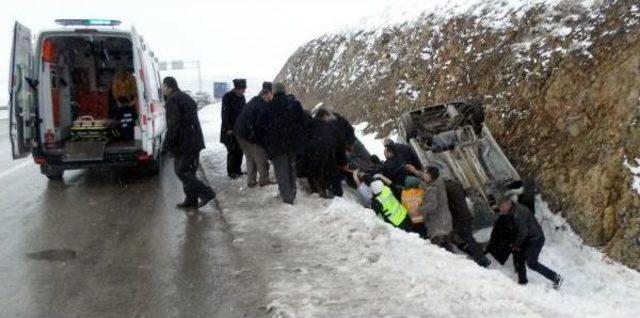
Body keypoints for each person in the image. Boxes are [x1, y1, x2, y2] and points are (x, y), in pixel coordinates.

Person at [161, 77, 215, 210]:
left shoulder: (173, 100)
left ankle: (207, 193)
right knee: (189, 171)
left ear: (168, 86)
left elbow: (173, 125)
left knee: (182, 171)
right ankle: (191, 200)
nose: (162, 90)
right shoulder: (186, 97)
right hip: (193, 140)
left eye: (163, 87)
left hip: (185, 143)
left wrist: (167, 145)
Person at [495, 192, 563, 289]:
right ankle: (522, 282)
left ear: (508, 203)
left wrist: (517, 244)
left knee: (532, 263)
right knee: (517, 254)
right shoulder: (512, 211)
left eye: (501, 206)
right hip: (528, 238)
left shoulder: (519, 212)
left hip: (535, 239)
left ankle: (556, 278)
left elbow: (523, 231)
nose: (500, 209)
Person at [257, 82, 304, 204]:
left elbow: (259, 125)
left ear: (273, 91)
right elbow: (302, 123)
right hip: (293, 144)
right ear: (284, 91)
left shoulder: (268, 106)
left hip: (276, 145)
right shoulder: (295, 104)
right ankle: (292, 192)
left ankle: (287, 197)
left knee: (281, 171)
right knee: (291, 169)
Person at [233, 82, 273, 187]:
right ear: (266, 94)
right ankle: (264, 180)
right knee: (261, 157)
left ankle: (251, 181)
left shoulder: (253, 101)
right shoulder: (262, 106)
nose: (271, 98)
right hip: (248, 134)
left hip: (240, 133)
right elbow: (260, 125)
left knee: (250, 157)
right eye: (271, 95)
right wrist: (262, 141)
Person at [406, 164, 454, 251]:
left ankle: (456, 263)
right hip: (442, 219)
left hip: (438, 222)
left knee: (444, 247)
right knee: (445, 246)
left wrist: (417, 209)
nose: (423, 174)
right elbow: (426, 177)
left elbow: (432, 205)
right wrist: (415, 171)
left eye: (425, 173)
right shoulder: (437, 181)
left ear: (429, 176)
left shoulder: (432, 189)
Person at [444, 179, 491, 267]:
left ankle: (481, 260)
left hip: (457, 219)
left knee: (465, 239)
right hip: (465, 215)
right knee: (467, 239)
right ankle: (479, 257)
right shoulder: (457, 184)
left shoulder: (445, 189)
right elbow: (465, 196)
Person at [221, 79, 247, 179]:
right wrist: (228, 128)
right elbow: (225, 114)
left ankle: (238, 170)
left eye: (244, 89)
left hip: (239, 128)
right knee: (232, 150)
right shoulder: (227, 97)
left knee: (239, 150)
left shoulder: (242, 97)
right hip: (229, 129)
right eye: (242, 89)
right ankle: (231, 171)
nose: (243, 91)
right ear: (237, 88)